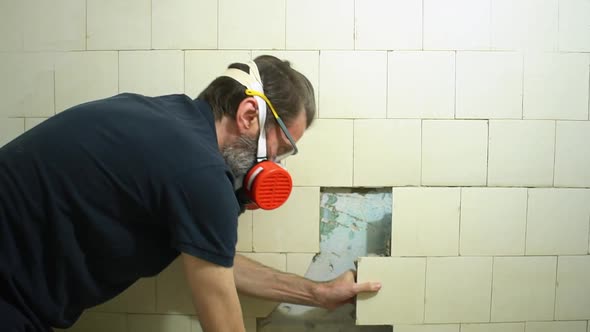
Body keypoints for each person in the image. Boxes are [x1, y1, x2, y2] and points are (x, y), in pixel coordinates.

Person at [0, 55, 381, 332]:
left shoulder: (172, 124)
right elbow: (222, 317)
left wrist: (318, 294)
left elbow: (216, 261)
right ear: (249, 115)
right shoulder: (200, 173)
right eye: (279, 150)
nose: (275, 168)